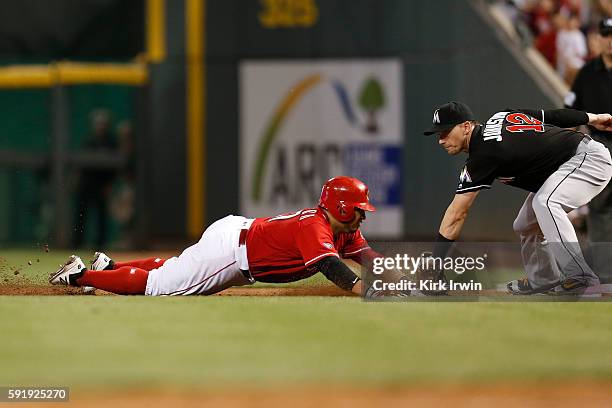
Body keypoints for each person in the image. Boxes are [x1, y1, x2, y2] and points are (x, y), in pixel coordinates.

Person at [50, 176, 378, 296]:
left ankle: (110, 267)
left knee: (173, 268)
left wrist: (406, 279)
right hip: (231, 254)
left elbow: (371, 261)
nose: (363, 214)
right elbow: (338, 274)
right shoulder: (316, 227)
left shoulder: (342, 230)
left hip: (236, 235)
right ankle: (81, 276)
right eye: (360, 209)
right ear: (342, 207)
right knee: (158, 286)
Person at [423, 101, 612, 295]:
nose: (441, 140)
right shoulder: (501, 116)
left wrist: (437, 260)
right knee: (525, 225)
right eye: (438, 134)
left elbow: (457, 213)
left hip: (588, 159)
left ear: (466, 126)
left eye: (445, 132)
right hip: (571, 162)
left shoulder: (483, 155)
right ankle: (543, 280)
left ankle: (580, 276)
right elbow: (552, 117)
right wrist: (594, 118)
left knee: (546, 202)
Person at [564, 18, 612, 282]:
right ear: (597, 39)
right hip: (599, 145)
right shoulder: (586, 73)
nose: (610, 40)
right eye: (606, 34)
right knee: (600, 209)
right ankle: (606, 275)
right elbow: (570, 111)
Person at [73, 109, 118, 249]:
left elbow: (115, 166)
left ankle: (100, 244)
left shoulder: (111, 143)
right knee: (81, 214)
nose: (100, 126)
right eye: (98, 124)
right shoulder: (89, 141)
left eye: (102, 123)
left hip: (102, 185)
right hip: (86, 184)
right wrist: (76, 180)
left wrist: (109, 184)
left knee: (101, 216)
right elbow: (80, 165)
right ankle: (77, 243)